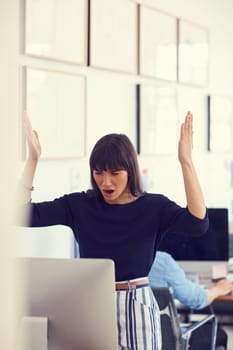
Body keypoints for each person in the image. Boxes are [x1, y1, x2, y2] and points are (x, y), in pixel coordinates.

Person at [20, 111, 209, 350]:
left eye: (114, 173)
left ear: (129, 171)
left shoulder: (153, 207)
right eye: (98, 173)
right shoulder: (79, 205)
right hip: (93, 304)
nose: (105, 182)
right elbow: (21, 215)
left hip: (137, 305)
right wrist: (33, 159)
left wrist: (186, 161)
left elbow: (198, 223)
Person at [149, 251, 233, 349]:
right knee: (220, 334)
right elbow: (196, 299)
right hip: (170, 341)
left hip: (136, 340)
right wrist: (218, 289)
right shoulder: (160, 260)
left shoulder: (127, 259)